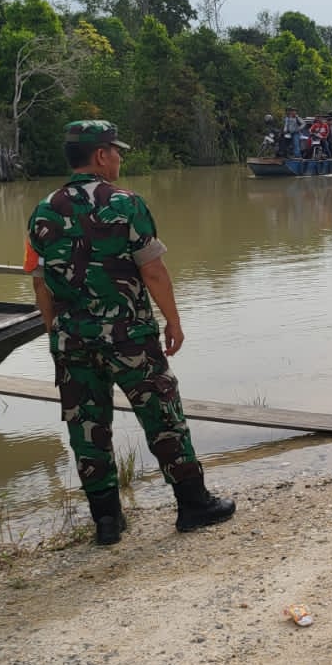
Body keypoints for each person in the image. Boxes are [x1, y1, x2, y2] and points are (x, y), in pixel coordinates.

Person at [27, 120, 236, 546]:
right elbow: (153, 270)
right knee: (162, 414)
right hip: (129, 337)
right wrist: (173, 321)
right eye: (116, 151)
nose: (120, 158)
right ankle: (194, 505)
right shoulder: (127, 204)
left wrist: (56, 334)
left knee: (87, 427)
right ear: (101, 156)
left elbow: (39, 281)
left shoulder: (43, 210)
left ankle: (107, 522)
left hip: (72, 339)